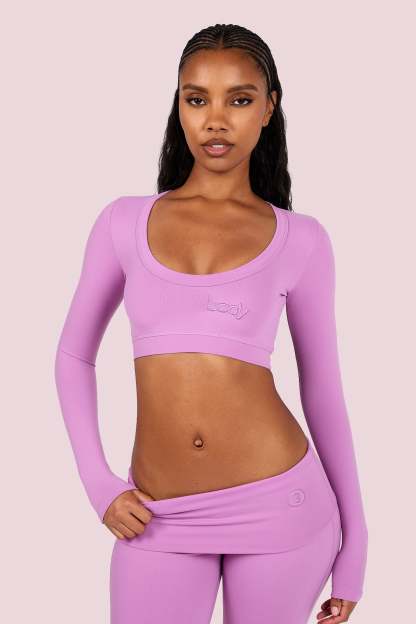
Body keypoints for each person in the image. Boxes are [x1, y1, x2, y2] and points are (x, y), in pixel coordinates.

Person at [54, 23, 368, 624]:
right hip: (156, 514)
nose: (215, 120)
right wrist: (99, 485)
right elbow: (73, 356)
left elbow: (324, 390)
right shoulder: (123, 222)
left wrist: (355, 547)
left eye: (239, 99)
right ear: (179, 106)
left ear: (269, 108)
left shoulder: (301, 239)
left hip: (282, 508)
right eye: (197, 99)